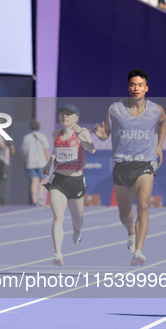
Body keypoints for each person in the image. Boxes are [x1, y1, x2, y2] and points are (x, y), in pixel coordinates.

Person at [94, 68, 166, 266]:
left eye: (140, 85)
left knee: (143, 206)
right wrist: (100, 134)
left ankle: (138, 251)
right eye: (133, 85)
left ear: (146, 88)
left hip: (145, 164)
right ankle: (131, 232)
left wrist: (159, 145)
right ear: (128, 87)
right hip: (121, 165)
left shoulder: (155, 110)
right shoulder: (115, 109)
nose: (137, 88)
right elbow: (106, 134)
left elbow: (164, 122)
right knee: (125, 215)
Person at [43, 104, 96, 266]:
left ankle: (77, 230)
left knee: (77, 218)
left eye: (68, 114)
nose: (64, 116)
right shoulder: (56, 134)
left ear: (76, 118)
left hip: (76, 181)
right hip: (58, 180)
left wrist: (82, 137)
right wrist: (49, 163)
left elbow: (91, 149)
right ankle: (58, 253)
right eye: (62, 114)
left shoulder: (83, 132)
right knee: (58, 216)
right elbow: (55, 151)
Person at [22, 120, 50, 206]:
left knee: (34, 181)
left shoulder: (26, 137)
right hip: (41, 162)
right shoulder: (43, 137)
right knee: (42, 180)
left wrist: (24, 162)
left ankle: (34, 200)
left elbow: (24, 152)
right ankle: (40, 198)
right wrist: (49, 161)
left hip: (30, 162)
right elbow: (46, 151)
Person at [0, 119, 16, 205]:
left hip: (3, 162)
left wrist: (7, 157)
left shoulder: (7, 137)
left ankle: (2, 200)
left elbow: (12, 149)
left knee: (3, 181)